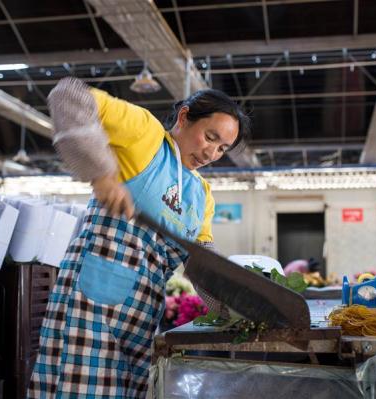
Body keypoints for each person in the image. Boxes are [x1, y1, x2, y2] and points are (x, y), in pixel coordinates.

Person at [28, 77, 250, 398]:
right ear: (184, 117)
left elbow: (203, 264)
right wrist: (102, 174)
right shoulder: (145, 135)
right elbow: (69, 94)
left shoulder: (201, 195)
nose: (211, 152)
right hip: (91, 306)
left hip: (142, 318)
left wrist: (238, 311)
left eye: (221, 148)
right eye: (209, 137)